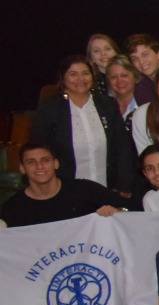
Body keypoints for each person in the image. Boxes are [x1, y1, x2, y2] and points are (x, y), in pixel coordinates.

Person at [33, 56, 137, 198]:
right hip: (66, 192)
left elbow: (122, 148)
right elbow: (39, 151)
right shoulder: (50, 110)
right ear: (63, 78)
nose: (80, 79)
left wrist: (124, 185)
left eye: (85, 73)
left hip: (107, 190)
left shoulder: (108, 105)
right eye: (73, 74)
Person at [0, 142, 118, 227]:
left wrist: (117, 212)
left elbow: (126, 209)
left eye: (45, 160)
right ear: (22, 168)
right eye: (31, 162)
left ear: (56, 164)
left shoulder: (86, 190)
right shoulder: (13, 208)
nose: (39, 166)